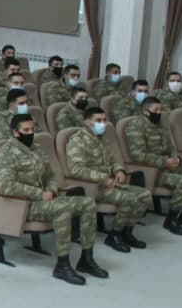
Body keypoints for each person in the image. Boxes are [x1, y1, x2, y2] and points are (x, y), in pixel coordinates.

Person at [0, 114, 106, 285]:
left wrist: (50, 189)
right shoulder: (5, 153)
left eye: (32, 129)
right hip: (23, 205)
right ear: (15, 132)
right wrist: (39, 194)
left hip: (45, 200)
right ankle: (62, 265)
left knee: (88, 203)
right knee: (63, 208)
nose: (30, 133)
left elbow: (50, 176)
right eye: (26, 130)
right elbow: (6, 187)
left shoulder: (38, 149)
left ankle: (86, 258)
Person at [63, 107, 153, 251]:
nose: (103, 124)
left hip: (110, 184)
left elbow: (111, 160)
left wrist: (119, 170)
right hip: (94, 188)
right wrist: (104, 179)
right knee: (129, 198)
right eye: (98, 120)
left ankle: (127, 232)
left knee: (145, 195)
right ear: (87, 122)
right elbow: (77, 169)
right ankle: (114, 235)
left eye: (104, 120)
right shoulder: (78, 140)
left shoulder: (101, 138)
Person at [124, 97, 182, 234]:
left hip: (170, 167)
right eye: (155, 110)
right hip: (153, 172)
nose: (159, 113)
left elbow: (171, 145)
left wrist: (175, 158)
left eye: (160, 109)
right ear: (145, 111)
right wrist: (164, 162)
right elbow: (138, 156)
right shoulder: (136, 127)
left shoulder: (160, 123)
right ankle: (171, 219)